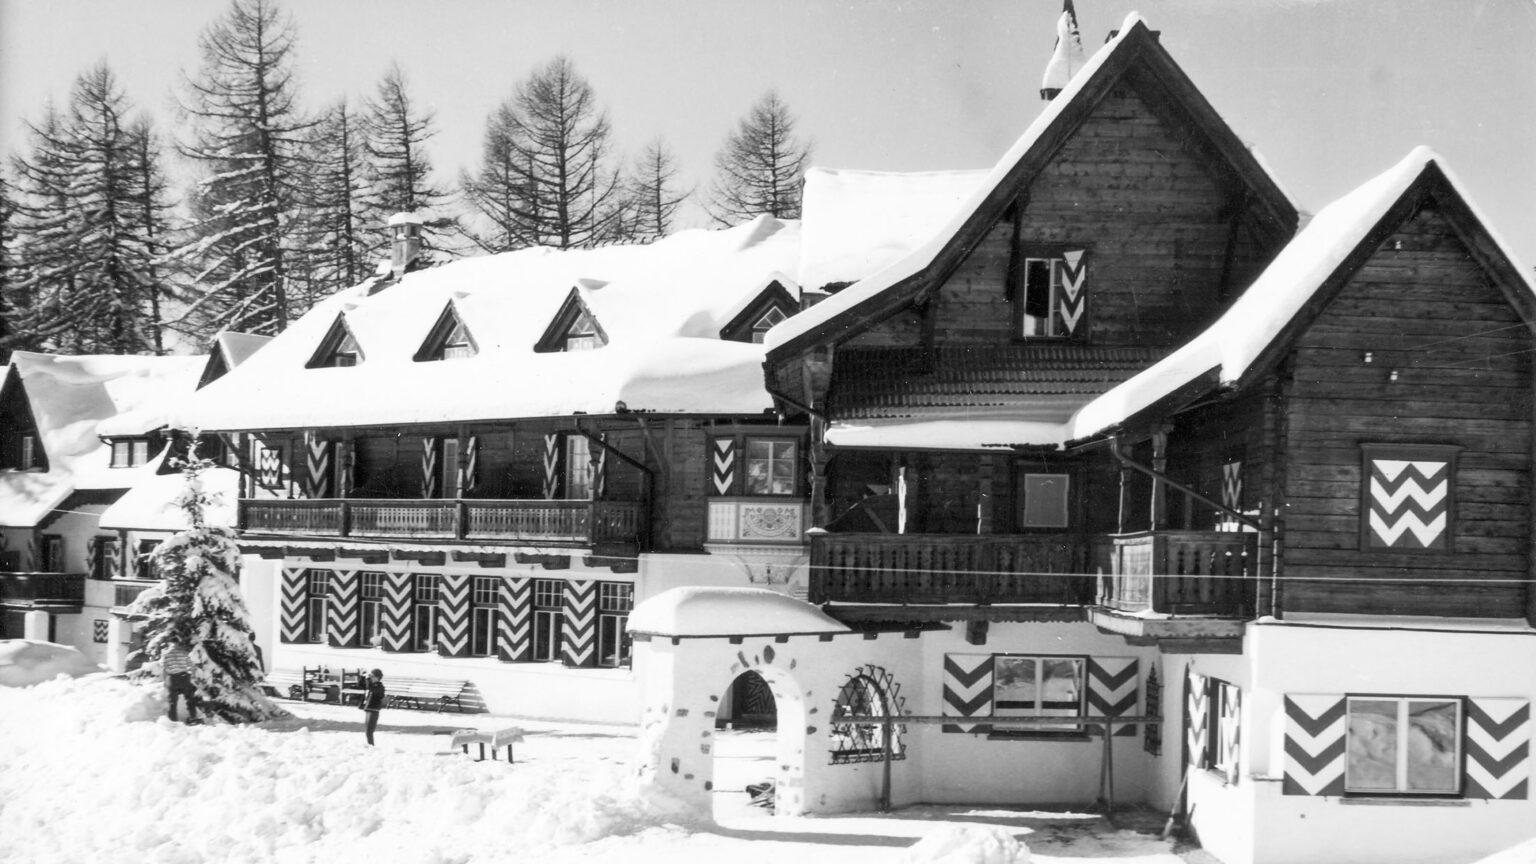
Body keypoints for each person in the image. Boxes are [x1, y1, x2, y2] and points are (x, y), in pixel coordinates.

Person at [163, 640, 199, 724]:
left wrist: (165, 682)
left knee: (172, 702)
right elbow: (192, 666)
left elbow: (165, 670)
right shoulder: (184, 653)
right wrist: (193, 676)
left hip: (173, 679)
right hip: (184, 678)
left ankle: (173, 720)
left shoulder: (167, 655)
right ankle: (193, 717)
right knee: (190, 698)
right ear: (178, 645)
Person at [361, 668, 385, 745]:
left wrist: (368, 679)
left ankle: (371, 746)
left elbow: (371, 688)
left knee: (369, 732)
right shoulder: (372, 685)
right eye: (371, 676)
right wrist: (362, 676)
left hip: (374, 710)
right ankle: (369, 745)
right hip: (368, 709)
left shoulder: (379, 687)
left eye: (373, 676)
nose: (371, 678)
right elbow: (361, 685)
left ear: (378, 678)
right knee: (367, 731)